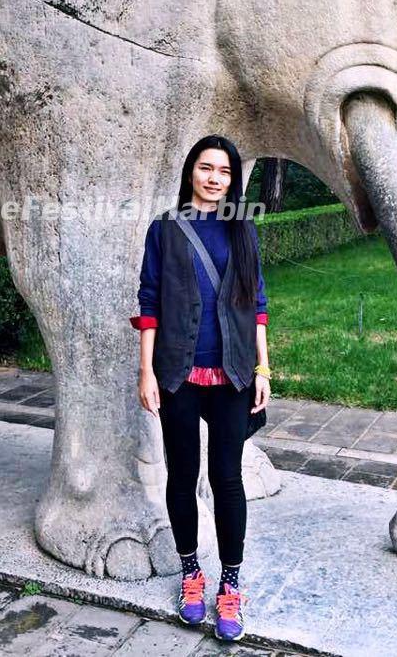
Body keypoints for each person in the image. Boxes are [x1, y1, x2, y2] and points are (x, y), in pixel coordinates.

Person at [129, 134, 271, 642]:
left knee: (227, 478)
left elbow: (256, 303)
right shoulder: (164, 230)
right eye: (206, 168)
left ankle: (230, 584)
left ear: (233, 179)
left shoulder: (242, 230)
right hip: (176, 373)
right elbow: (149, 301)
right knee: (183, 473)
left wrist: (263, 370)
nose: (214, 178)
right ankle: (192, 573)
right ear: (191, 170)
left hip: (232, 370)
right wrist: (146, 372)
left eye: (225, 171)